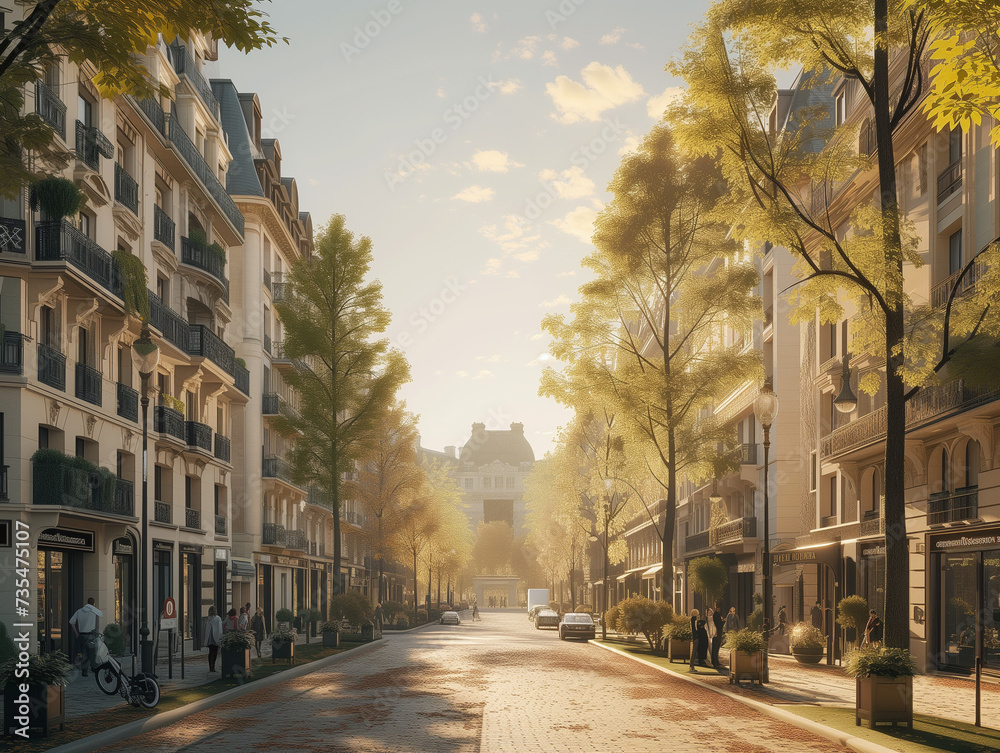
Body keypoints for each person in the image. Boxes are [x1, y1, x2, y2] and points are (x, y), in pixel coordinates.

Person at [69, 597, 102, 676]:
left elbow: (71, 622)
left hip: (82, 635)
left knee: (84, 653)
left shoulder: (79, 611)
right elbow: (101, 614)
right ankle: (94, 668)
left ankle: (84, 671)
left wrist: (76, 632)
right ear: (93, 603)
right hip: (91, 635)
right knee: (93, 652)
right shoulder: (93, 611)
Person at [205, 606, 223, 671]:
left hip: (210, 638)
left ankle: (210, 666)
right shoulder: (218, 619)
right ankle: (213, 666)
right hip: (216, 638)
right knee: (215, 653)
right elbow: (220, 629)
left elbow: (207, 629)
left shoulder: (208, 619)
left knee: (210, 652)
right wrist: (220, 637)